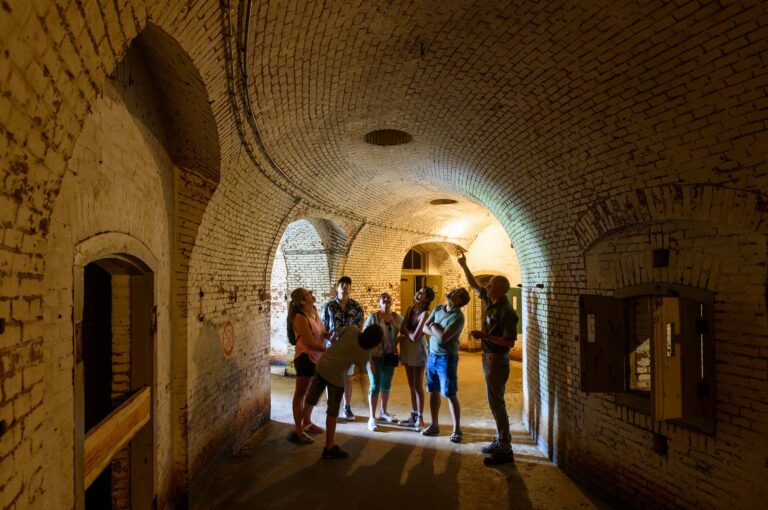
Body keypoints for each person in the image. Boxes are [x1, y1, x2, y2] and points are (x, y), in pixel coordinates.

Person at [457, 252, 519, 465]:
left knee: (497, 404)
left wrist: (485, 336)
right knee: (494, 403)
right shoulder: (491, 302)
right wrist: (464, 266)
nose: (488, 285)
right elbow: (475, 287)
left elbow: (509, 343)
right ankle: (500, 440)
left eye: (491, 283)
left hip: (497, 361)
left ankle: (505, 448)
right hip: (488, 359)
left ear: (500, 289)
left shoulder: (506, 311)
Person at [304, 324, 384, 459]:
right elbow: (362, 371)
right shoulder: (364, 354)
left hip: (322, 365)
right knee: (332, 411)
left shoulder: (352, 330)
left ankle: (301, 427)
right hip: (335, 376)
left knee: (311, 398)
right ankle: (329, 447)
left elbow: (335, 335)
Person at [420, 287, 470, 443]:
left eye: (456, 293)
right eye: (453, 291)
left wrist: (433, 326)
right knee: (433, 391)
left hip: (447, 358)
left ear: (460, 301)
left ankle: (457, 429)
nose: (451, 292)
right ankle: (434, 425)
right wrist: (435, 329)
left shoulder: (458, 317)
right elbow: (423, 328)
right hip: (432, 356)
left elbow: (443, 337)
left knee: (449, 393)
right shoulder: (438, 308)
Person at [288, 288, 329, 444]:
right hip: (305, 357)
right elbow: (310, 342)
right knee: (301, 392)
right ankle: (298, 430)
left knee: (311, 392)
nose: (313, 294)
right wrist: (328, 350)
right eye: (309, 294)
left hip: (317, 357)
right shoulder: (299, 317)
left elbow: (321, 331)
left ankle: (307, 422)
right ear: (302, 301)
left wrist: (328, 334)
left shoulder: (313, 311)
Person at [321, 276, 364, 421]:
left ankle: (347, 407)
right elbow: (324, 328)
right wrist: (327, 340)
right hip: (333, 348)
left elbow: (360, 328)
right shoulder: (329, 306)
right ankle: (331, 408)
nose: (345, 286)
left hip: (349, 349)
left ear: (350, 288)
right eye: (342, 284)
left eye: (347, 284)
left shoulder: (357, 307)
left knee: (347, 379)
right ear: (337, 287)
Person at [364, 292, 403, 431]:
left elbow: (405, 330)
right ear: (379, 303)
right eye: (383, 299)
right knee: (375, 385)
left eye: (388, 299)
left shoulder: (396, 317)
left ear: (391, 303)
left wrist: (398, 341)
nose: (386, 300)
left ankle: (383, 412)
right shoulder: (373, 318)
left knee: (386, 385)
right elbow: (365, 338)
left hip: (390, 356)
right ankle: (372, 417)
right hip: (375, 356)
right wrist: (369, 360)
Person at [398, 287, 435, 429]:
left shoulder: (425, 314)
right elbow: (402, 329)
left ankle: (420, 417)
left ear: (426, 299)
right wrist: (407, 330)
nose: (417, 293)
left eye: (421, 293)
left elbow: (415, 337)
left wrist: (407, 330)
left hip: (418, 350)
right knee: (411, 385)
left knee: (418, 385)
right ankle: (413, 415)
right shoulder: (410, 309)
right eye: (418, 291)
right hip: (407, 349)